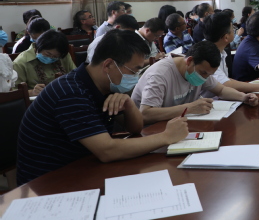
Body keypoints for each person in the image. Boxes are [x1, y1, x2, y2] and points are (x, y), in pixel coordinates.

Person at [16, 29, 189, 186]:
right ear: (108, 65)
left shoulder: (104, 85)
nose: (136, 77)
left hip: (84, 168)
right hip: (49, 183)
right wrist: (166, 137)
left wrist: (129, 105)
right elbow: (107, 151)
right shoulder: (70, 93)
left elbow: (135, 128)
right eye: (133, 71)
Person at [132, 41, 258, 124]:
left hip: (175, 125)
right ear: (189, 61)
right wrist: (189, 108)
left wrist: (244, 97)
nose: (204, 78)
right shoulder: (160, 74)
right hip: (149, 130)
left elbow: (221, 90)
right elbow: (146, 114)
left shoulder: (200, 69)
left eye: (209, 75)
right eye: (203, 73)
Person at [204, 11, 259, 93]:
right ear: (226, 37)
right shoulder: (208, 55)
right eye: (232, 29)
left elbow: (226, 80)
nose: (235, 31)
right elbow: (226, 84)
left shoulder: (221, 52)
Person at [13, 30, 76, 97]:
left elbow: (75, 77)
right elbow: (13, 92)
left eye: (55, 57)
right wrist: (31, 92)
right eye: (48, 54)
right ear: (38, 47)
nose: (51, 58)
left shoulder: (63, 56)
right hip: (37, 100)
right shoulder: (21, 63)